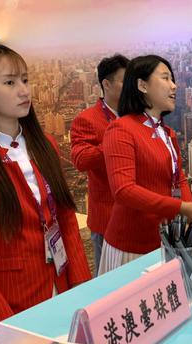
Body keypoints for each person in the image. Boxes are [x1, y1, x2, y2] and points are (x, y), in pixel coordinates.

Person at [0, 43, 91, 333]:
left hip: (56, 288)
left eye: (25, 80)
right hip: (1, 304)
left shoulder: (43, 143)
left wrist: (82, 291)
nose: (24, 90)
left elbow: (66, 220)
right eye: (9, 82)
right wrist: (4, 323)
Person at [99, 55, 192, 274]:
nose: (174, 85)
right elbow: (124, 190)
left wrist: (191, 214)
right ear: (142, 85)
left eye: (172, 79)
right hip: (132, 245)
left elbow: (179, 179)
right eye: (165, 78)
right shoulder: (121, 129)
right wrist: (180, 207)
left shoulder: (166, 132)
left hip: (165, 240)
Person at [71, 54, 129, 275]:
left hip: (141, 216)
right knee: (109, 284)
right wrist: (115, 143)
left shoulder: (136, 115)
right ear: (106, 84)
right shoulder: (87, 119)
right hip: (108, 217)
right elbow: (81, 159)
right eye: (126, 80)